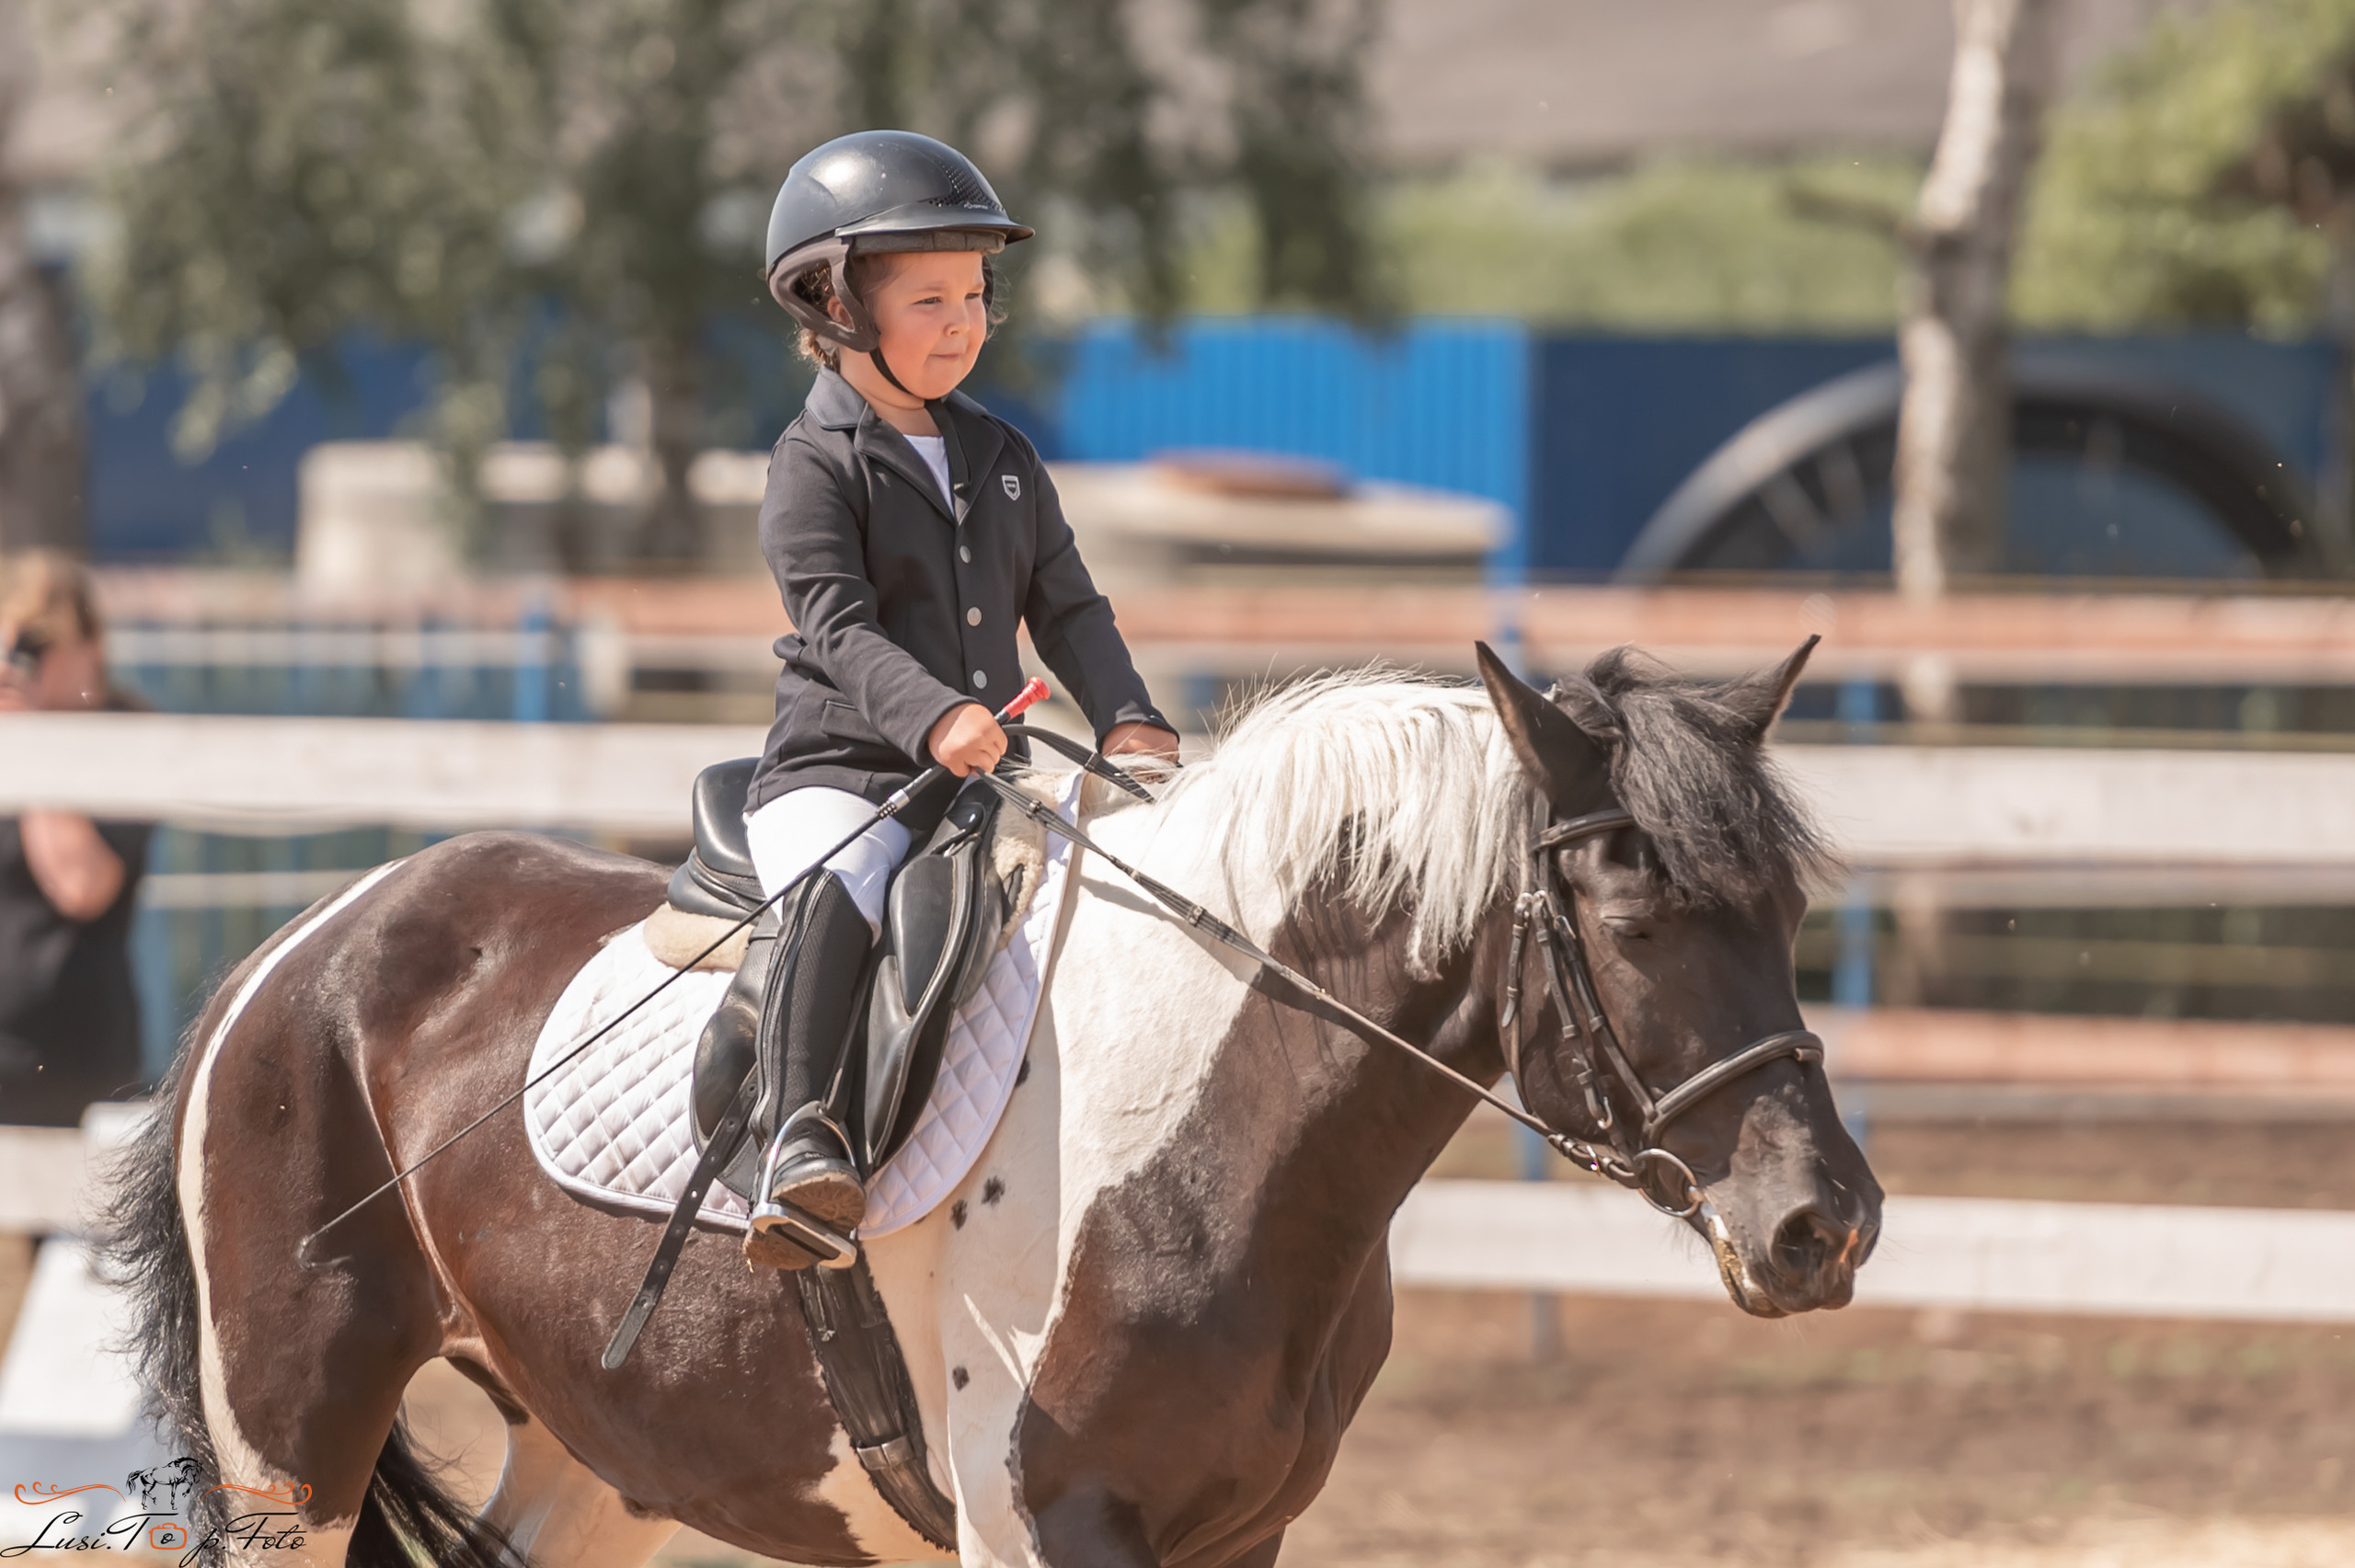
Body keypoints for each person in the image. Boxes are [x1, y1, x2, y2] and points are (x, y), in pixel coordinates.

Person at [714, 130, 1179, 1269]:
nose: (963, 321)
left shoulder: (1005, 453)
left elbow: (1067, 607)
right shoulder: (812, 461)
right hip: (845, 771)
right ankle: (800, 1137)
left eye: (974, 293)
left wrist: (1127, 712)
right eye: (928, 298)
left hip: (981, 775)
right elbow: (837, 626)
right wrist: (931, 715)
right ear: (833, 301)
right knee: (846, 876)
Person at [0, 552, 152, 1127]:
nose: (22, 664)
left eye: (37, 644)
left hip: (77, 1061)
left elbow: (82, 884)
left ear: (90, 646)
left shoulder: (124, 736)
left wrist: (31, 745)